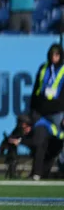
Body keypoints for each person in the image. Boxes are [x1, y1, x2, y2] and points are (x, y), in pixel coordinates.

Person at [26, 44, 64, 179]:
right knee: (39, 140)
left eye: (57, 54)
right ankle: (37, 172)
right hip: (42, 114)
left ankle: (59, 169)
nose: (54, 57)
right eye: (52, 54)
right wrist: (32, 111)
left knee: (58, 144)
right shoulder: (43, 68)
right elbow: (36, 90)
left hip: (58, 113)